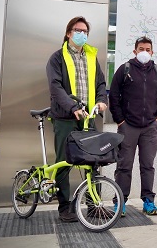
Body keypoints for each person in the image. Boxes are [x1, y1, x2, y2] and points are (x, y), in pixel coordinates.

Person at [46, 16, 108, 222]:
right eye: (78, 30)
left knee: (94, 161)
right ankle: (64, 207)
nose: (82, 34)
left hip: (88, 118)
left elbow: (100, 83)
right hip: (65, 117)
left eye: (85, 31)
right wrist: (73, 107)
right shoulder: (57, 58)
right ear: (68, 33)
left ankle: (93, 206)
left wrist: (100, 101)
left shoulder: (91, 57)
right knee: (64, 161)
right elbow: (56, 88)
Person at [109, 36, 157, 216]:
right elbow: (114, 96)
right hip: (128, 127)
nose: (145, 52)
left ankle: (149, 202)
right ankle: (120, 202)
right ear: (135, 51)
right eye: (141, 49)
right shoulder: (124, 70)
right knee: (124, 166)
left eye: (148, 49)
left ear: (152, 52)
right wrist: (120, 120)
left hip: (150, 127)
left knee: (147, 166)